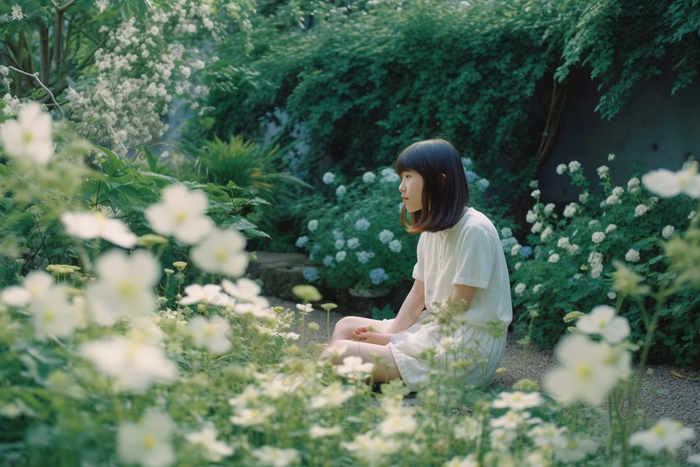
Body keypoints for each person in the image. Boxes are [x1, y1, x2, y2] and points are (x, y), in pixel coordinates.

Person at [319, 139, 512, 392]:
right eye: (402, 177)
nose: (401, 187)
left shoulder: (474, 230)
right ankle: (361, 373)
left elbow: (458, 304)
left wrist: (397, 339)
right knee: (346, 326)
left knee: (337, 354)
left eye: (409, 176)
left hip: (464, 345)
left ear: (439, 181)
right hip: (436, 328)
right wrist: (394, 335)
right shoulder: (431, 231)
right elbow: (419, 294)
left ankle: (352, 371)